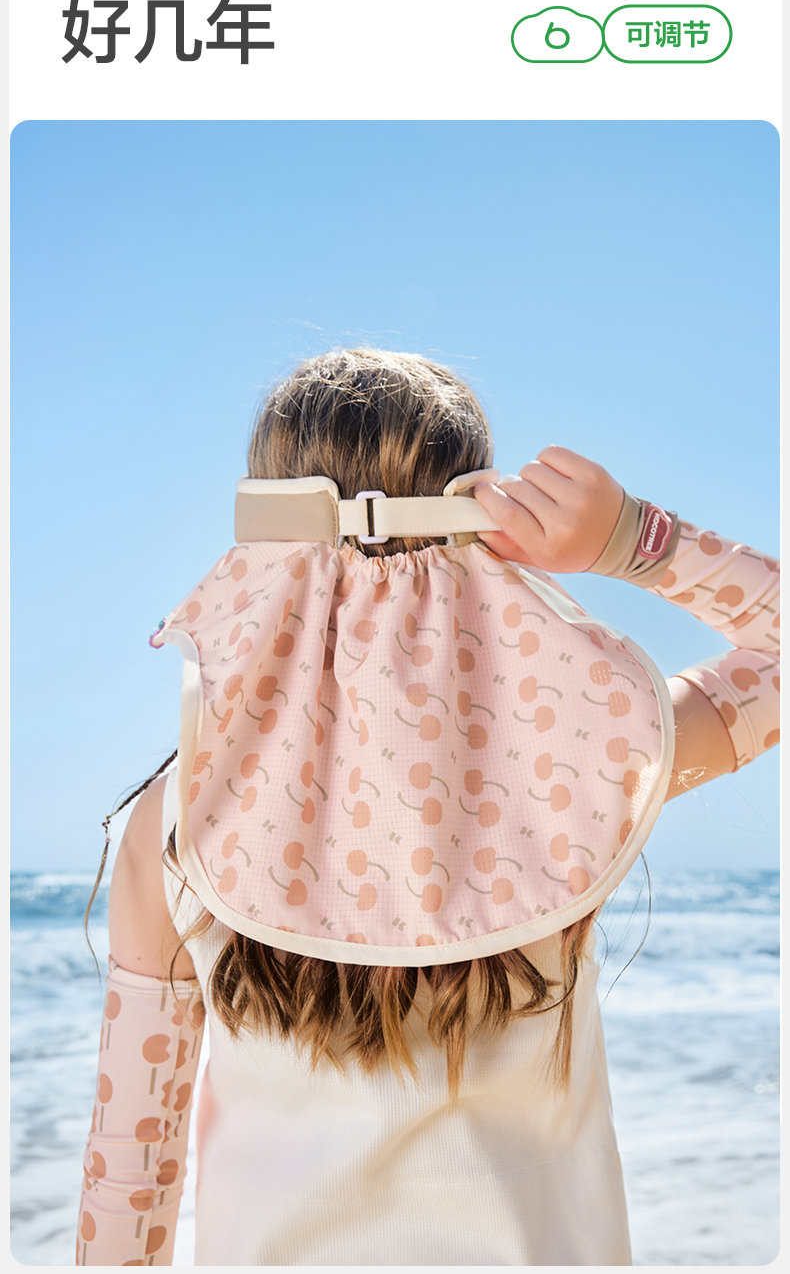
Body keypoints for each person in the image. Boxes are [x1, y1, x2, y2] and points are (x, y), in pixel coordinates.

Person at [77, 348, 779, 1267]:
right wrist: (635, 540)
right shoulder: (577, 770)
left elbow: (131, 1176)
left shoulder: (176, 823)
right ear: (482, 530)